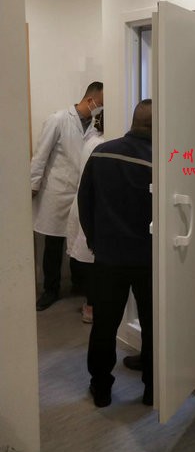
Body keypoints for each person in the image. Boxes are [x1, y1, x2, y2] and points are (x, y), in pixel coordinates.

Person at [78, 99, 153, 408]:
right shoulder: (161, 162)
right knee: (153, 322)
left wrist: (95, 241)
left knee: (105, 324)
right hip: (149, 260)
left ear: (134, 121)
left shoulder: (102, 153)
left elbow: (85, 201)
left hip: (108, 257)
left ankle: (101, 388)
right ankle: (153, 388)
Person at [31, 82, 104, 311]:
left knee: (78, 240)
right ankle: (50, 290)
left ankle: (78, 284)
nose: (102, 108)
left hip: (80, 192)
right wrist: (33, 184)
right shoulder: (58, 119)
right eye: (101, 103)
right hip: (57, 190)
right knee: (53, 244)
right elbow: (40, 155)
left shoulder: (96, 128)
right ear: (90, 99)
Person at [66, 111, 105, 324]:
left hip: (85, 201)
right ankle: (91, 306)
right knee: (93, 261)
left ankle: (90, 305)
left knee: (90, 258)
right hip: (93, 204)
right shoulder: (101, 144)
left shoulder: (92, 140)